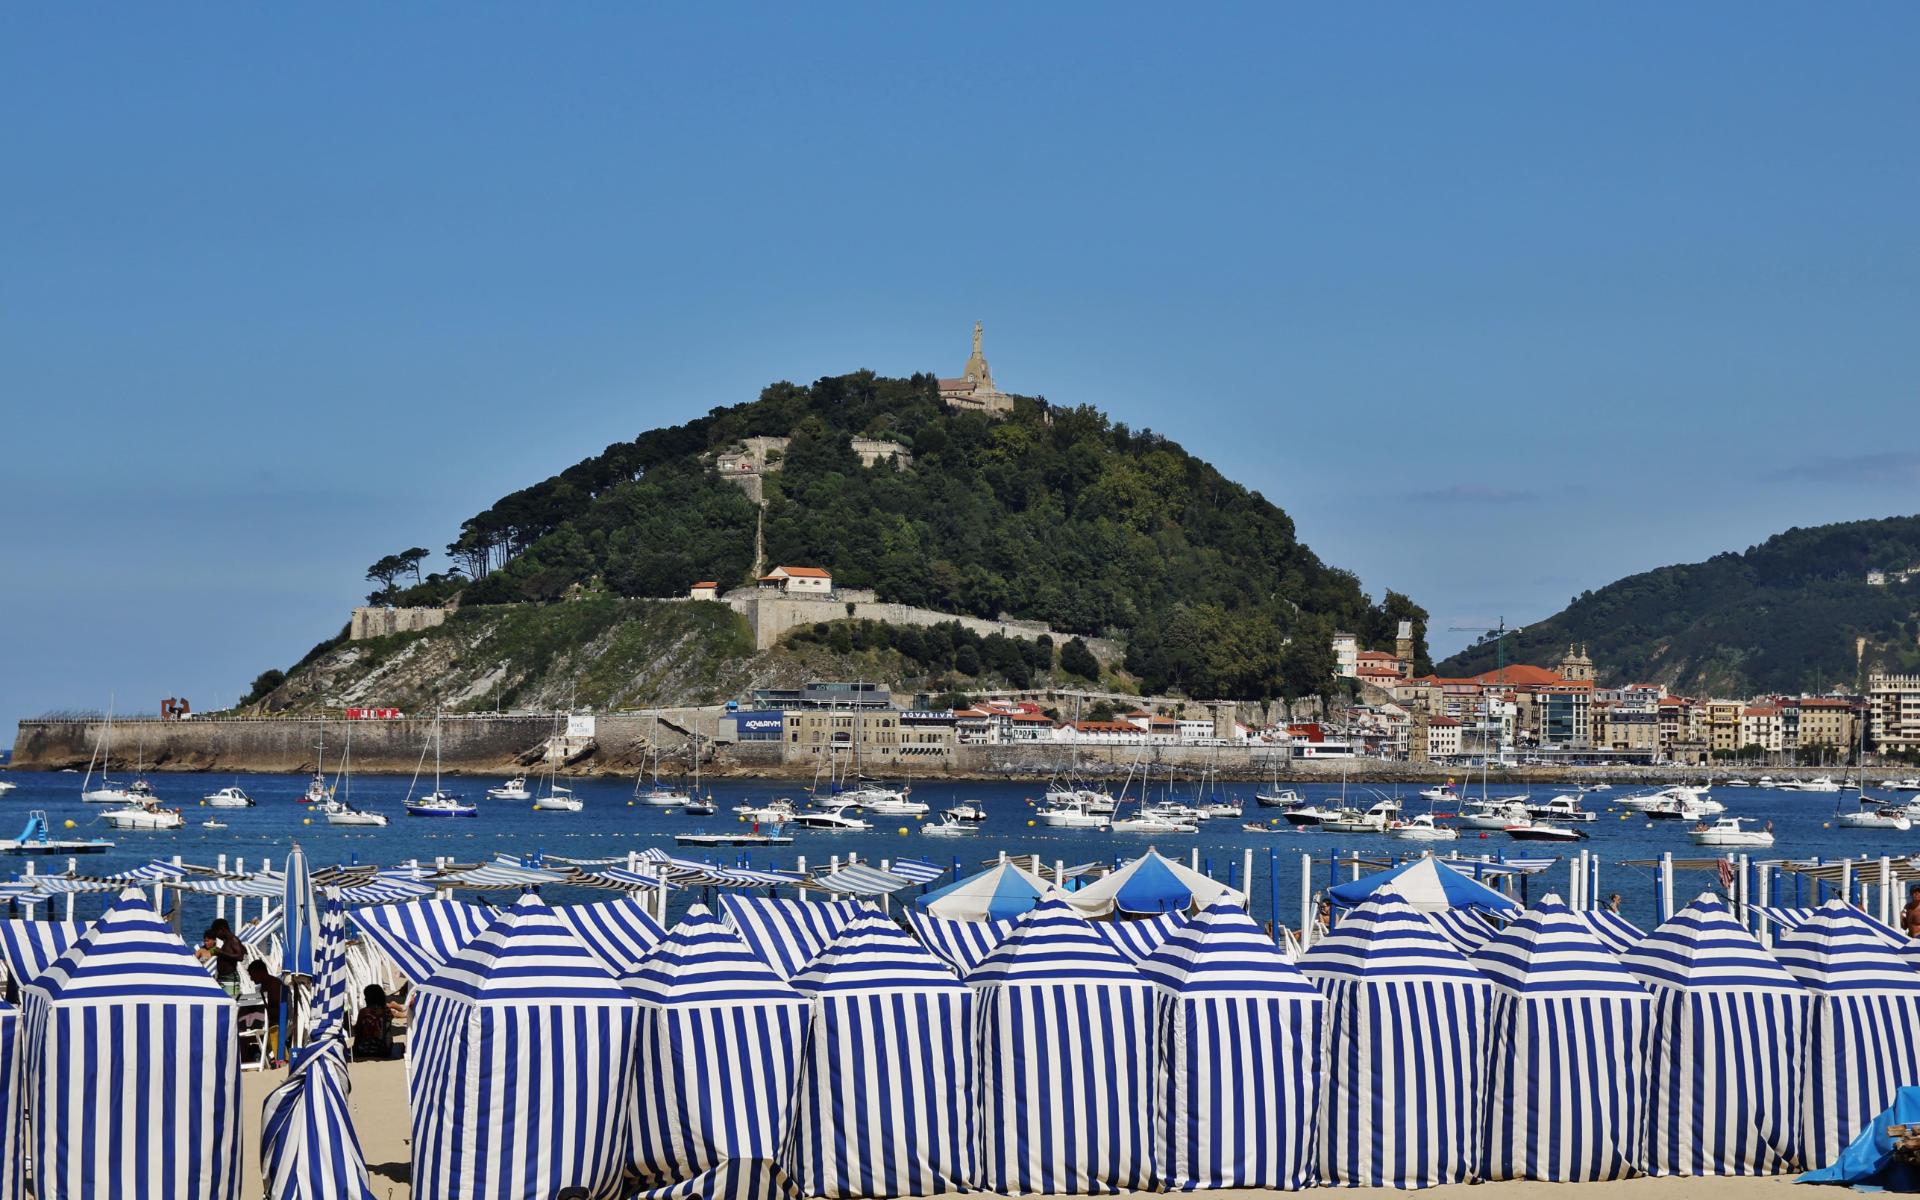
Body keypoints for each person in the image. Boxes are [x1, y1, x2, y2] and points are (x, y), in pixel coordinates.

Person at [248, 960, 288, 1064]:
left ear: (259, 972)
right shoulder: (265, 984)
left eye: (252, 975)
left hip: (278, 1022)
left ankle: (280, 1058)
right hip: (270, 1020)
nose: (251, 979)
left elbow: (277, 1007)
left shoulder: (273, 984)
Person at [354, 984, 404, 1060]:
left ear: (369, 998)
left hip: (363, 1050)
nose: (365, 999)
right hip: (383, 1051)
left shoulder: (363, 1012)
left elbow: (358, 1032)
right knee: (400, 1046)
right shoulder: (387, 1011)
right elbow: (387, 1033)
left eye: (366, 997)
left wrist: (355, 1049)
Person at [204, 919, 246, 998]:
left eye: (216, 933)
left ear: (222, 929)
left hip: (230, 978)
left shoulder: (233, 939)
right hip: (222, 978)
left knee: (231, 1003)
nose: (216, 936)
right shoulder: (226, 941)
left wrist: (221, 953)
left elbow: (240, 956)